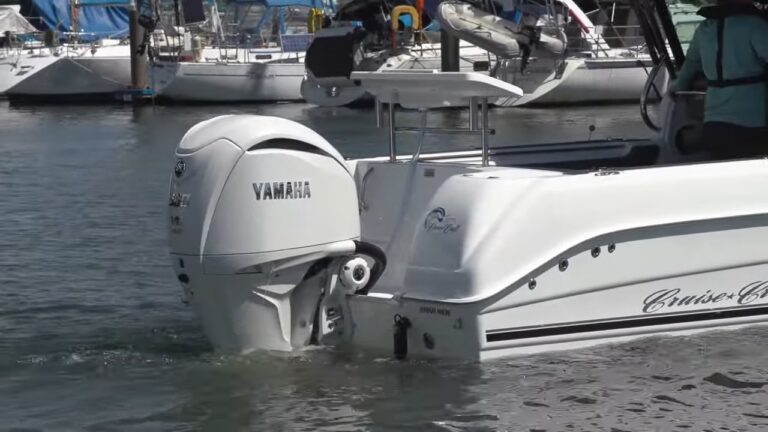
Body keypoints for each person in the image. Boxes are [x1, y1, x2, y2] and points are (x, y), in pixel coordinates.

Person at [673, 0, 768, 159]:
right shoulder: (754, 25)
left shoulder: (704, 28)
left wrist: (676, 88)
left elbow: (690, 65)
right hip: (752, 123)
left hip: (713, 123)